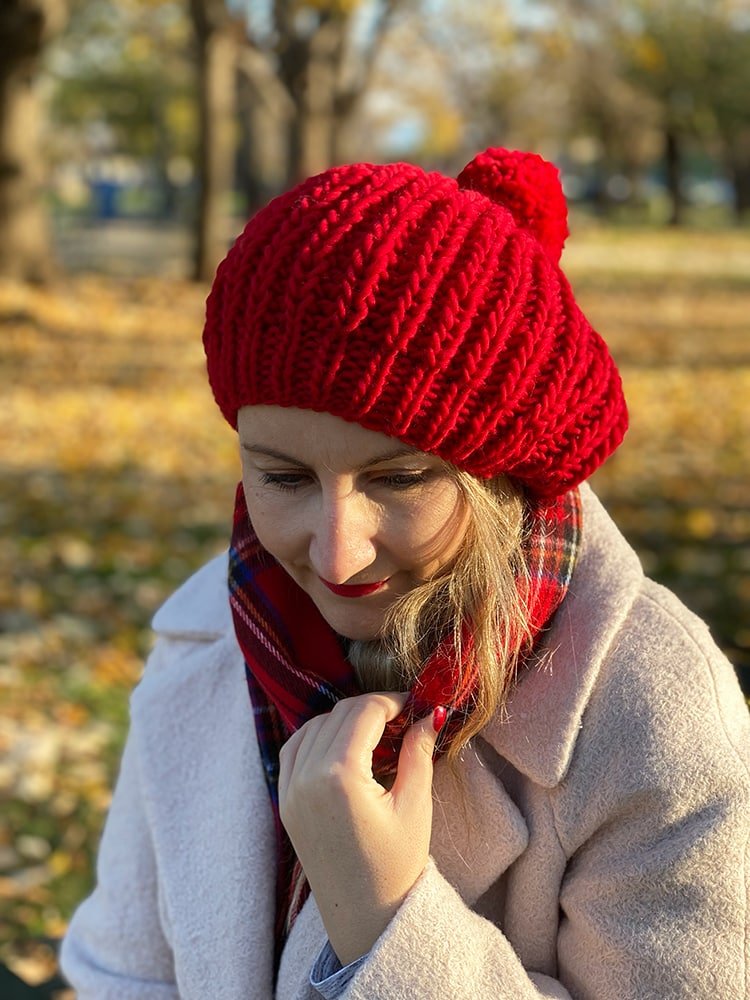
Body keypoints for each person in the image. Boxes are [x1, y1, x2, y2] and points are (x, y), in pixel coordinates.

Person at [60, 148, 750, 999]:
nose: (335, 552)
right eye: (282, 478)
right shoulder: (211, 636)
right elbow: (122, 975)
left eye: (398, 479)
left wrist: (384, 918)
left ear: (498, 472)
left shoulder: (650, 709)